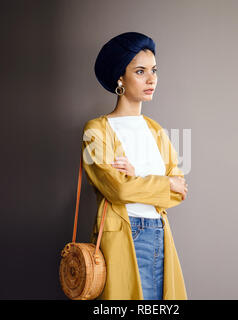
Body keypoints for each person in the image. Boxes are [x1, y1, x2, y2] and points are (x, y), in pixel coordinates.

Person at [81, 32, 188, 300]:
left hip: (160, 233)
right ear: (120, 77)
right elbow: (118, 190)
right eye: (140, 71)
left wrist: (137, 176)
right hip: (127, 233)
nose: (151, 79)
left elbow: (181, 190)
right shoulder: (95, 131)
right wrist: (163, 183)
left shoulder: (156, 130)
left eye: (154, 70)